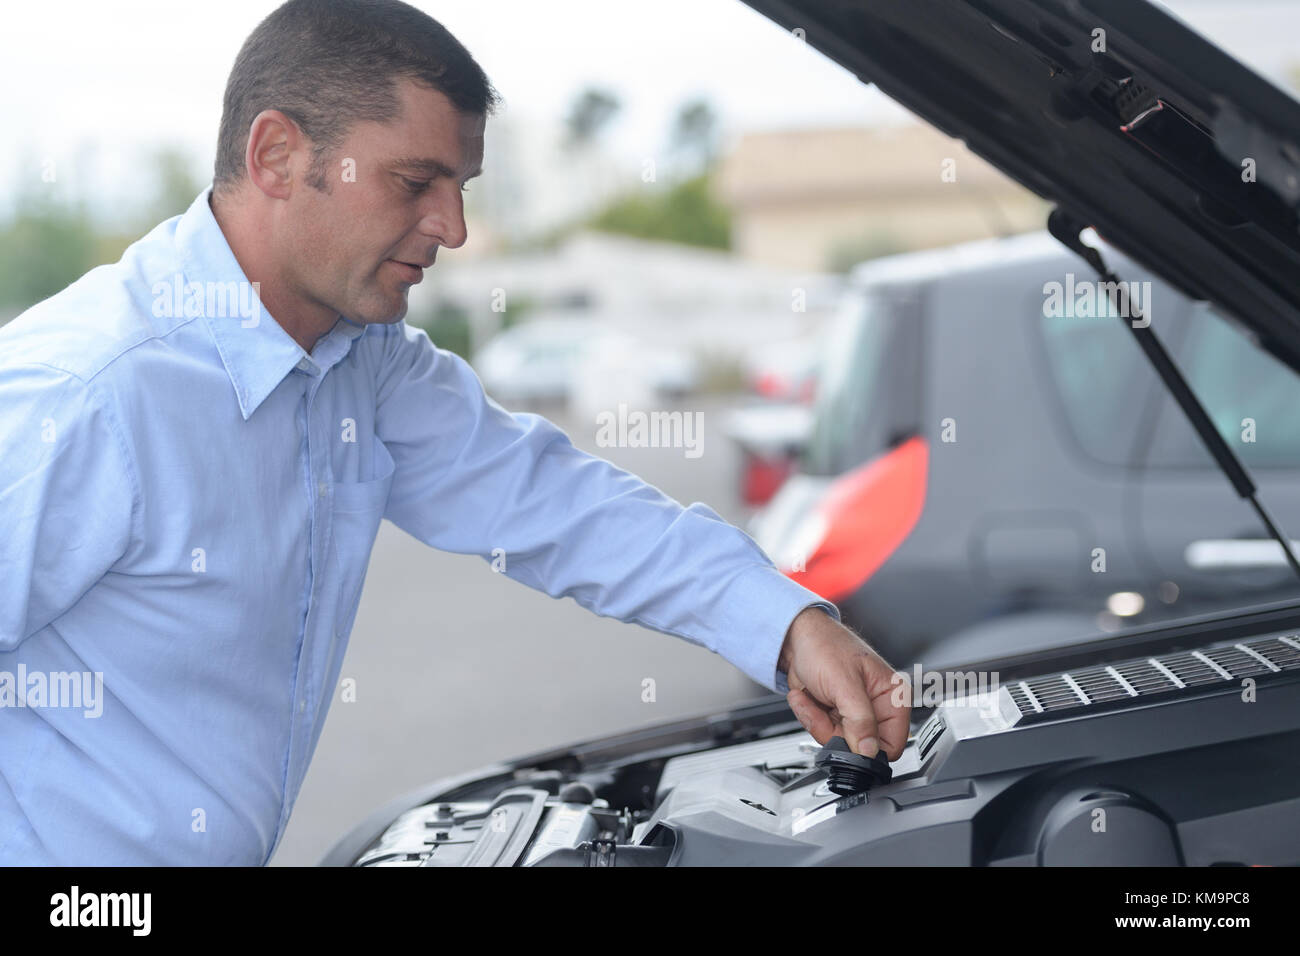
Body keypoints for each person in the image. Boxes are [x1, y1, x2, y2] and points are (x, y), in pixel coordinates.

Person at [0, 0, 909, 865]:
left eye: (462, 186)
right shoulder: (85, 397)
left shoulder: (365, 361)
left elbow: (560, 504)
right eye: (415, 183)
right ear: (277, 155)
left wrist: (788, 624)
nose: (455, 228)